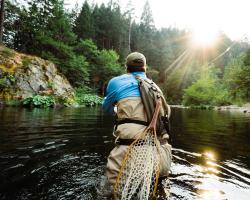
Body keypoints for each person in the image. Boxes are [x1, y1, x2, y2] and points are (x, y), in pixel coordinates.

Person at [102, 52, 172, 188]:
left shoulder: (116, 82)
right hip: (162, 156)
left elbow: (107, 108)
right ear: (145, 68)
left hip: (129, 153)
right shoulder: (156, 88)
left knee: (109, 191)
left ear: (126, 68)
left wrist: (116, 111)